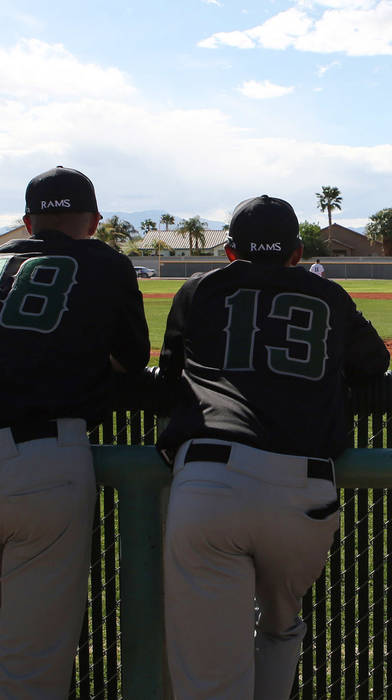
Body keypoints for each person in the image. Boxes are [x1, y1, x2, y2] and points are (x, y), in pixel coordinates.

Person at [157, 195, 389, 699]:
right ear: (298, 251)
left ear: (231, 251)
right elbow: (374, 364)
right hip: (303, 487)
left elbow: (169, 377)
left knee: (211, 671)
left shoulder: (198, 289)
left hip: (209, 481)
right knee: (281, 627)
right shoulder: (326, 294)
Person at [0, 166, 149, 696]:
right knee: (29, 661)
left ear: (26, 222)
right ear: (94, 221)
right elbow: (132, 360)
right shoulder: (105, 263)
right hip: (41, 460)